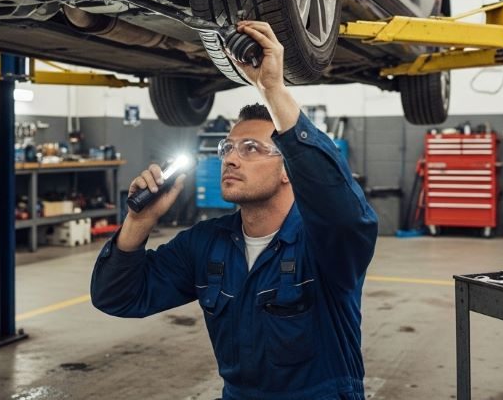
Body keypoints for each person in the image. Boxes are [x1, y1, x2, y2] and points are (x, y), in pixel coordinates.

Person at [91, 20, 379, 399]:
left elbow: (343, 209)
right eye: (227, 148)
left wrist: (271, 88)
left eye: (251, 149)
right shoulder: (207, 244)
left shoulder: (324, 245)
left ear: (289, 170)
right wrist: (138, 222)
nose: (231, 159)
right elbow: (118, 296)